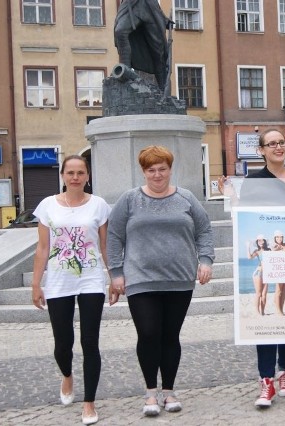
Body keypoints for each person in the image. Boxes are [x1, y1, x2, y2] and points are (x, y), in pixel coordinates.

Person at [106, 145, 214, 416]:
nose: (157, 175)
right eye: (151, 170)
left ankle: (169, 390)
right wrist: (116, 273)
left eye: (162, 169)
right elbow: (114, 236)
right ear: (143, 172)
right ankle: (150, 392)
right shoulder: (130, 200)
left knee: (170, 336)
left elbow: (204, 230)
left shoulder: (186, 198)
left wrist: (206, 261)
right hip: (141, 279)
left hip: (179, 279)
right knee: (149, 333)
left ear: (170, 169)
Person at [218, 129, 285, 408]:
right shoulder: (255, 181)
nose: (278, 147)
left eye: (281, 142)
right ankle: (265, 380)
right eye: (271, 144)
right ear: (261, 150)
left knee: (284, 312)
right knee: (267, 323)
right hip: (268, 257)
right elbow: (245, 216)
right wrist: (232, 196)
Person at [30, 155, 111, 425]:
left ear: (88, 175)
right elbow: (42, 248)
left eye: (80, 172)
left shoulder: (99, 205)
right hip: (58, 281)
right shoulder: (47, 206)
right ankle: (67, 375)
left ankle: (89, 402)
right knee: (63, 343)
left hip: (90, 280)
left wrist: (114, 278)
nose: (75, 177)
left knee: (90, 342)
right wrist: (36, 283)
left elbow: (104, 247)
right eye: (70, 172)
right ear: (63, 175)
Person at [114, 0, 173, 91]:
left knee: (158, 51)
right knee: (120, 32)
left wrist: (163, 19)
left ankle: (163, 89)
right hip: (131, 4)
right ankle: (125, 73)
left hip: (148, 5)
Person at [248, 234, 270, 315]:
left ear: (265, 241)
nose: (261, 242)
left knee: (264, 295)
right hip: (258, 273)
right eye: (259, 240)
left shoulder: (269, 250)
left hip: (266, 273)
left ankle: (263, 312)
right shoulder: (257, 251)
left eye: (262, 240)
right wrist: (248, 247)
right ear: (257, 242)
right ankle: (257, 312)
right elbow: (249, 257)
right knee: (258, 293)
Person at [270, 230, 285, 316]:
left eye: (281, 237)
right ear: (275, 238)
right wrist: (280, 248)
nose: (279, 238)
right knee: (278, 291)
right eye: (277, 237)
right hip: (278, 271)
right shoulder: (274, 246)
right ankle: (278, 311)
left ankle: (281, 309)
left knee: (284, 290)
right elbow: (272, 252)